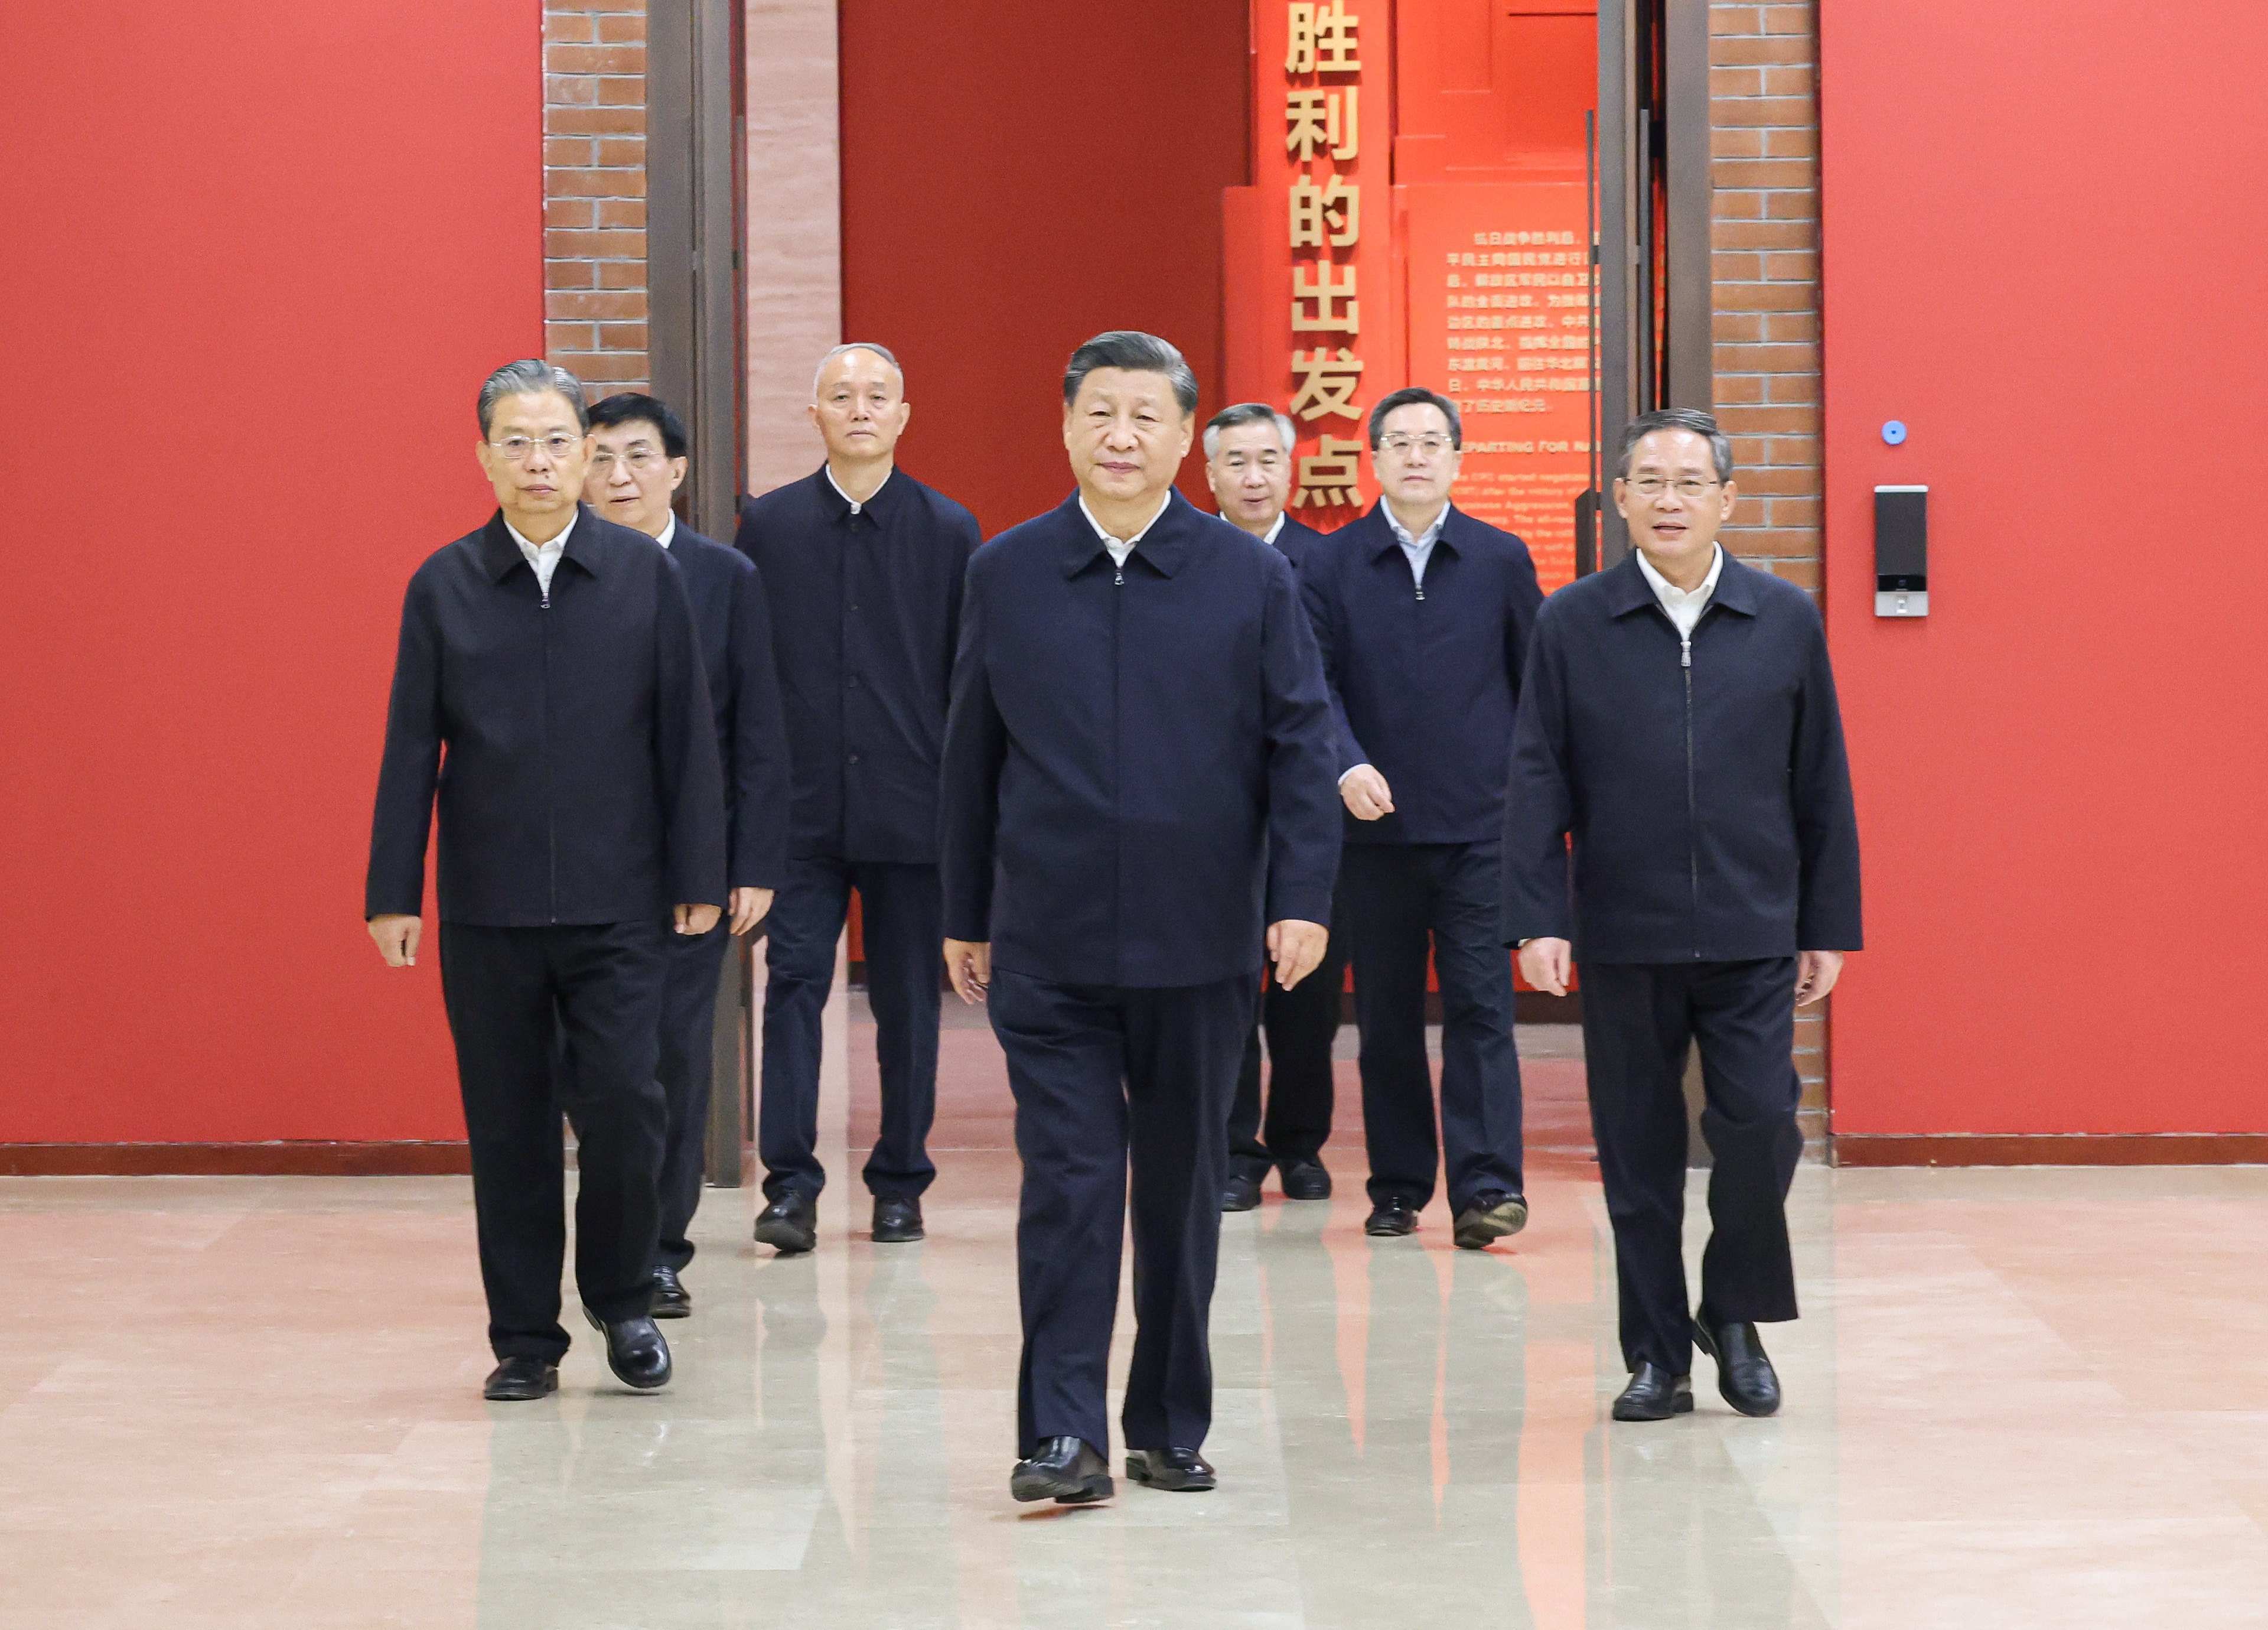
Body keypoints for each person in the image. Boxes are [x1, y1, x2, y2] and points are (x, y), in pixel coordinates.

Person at [940, 332, 1341, 1504]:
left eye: (1145, 417)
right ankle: (1062, 1434)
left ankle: (1167, 1421)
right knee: (1067, 1184)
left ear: (1184, 439)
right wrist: (968, 910)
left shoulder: (1246, 576)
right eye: (1099, 414)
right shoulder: (1007, 572)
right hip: (1050, 944)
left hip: (1200, 939)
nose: (1121, 436)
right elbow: (972, 755)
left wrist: (1301, 899)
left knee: (1176, 1192)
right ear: (1065, 428)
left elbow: (1300, 744)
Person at [366, 359, 728, 1401]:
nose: (539, 461)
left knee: (625, 1102)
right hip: (491, 907)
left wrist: (699, 868)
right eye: (516, 442)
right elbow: (409, 747)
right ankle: (526, 1337)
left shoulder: (644, 577)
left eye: (558, 440)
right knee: (510, 1123)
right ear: (483, 454)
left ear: (587, 452)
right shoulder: (442, 585)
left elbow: (686, 737)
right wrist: (396, 890)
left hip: (622, 903)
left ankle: (622, 1300)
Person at [1504, 406, 1861, 1422]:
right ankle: (1657, 1354)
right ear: (1618, 498)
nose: (1669, 500)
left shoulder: (1783, 618)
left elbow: (1821, 781)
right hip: (1624, 929)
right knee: (1638, 1151)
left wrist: (1826, 923)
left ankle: (1733, 1309)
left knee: (1760, 1128)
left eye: (1690, 483)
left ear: (1727, 501)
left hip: (1754, 928)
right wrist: (1537, 917)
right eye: (1649, 482)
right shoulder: (1571, 622)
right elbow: (1536, 779)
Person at [735, 344, 982, 1252]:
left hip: (911, 813)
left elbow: (971, 684)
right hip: (799, 815)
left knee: (910, 1002)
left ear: (905, 414)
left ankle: (900, 1182)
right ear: (817, 417)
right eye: (842, 396)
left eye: (879, 395)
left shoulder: (952, 531)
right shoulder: (770, 530)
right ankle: (790, 1186)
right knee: (794, 989)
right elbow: (748, 677)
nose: (861, 409)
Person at [1301, 387, 1542, 1248]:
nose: (1415, 455)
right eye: (1398, 441)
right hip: (1375, 834)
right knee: (1390, 1018)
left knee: (1483, 1010)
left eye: (1431, 441)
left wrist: (1529, 805)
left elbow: (1534, 690)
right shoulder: (1328, 565)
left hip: (1481, 828)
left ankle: (1488, 1189)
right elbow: (1311, 686)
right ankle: (1399, 1183)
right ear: (1373, 458)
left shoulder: (1500, 559)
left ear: (1458, 458)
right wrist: (1347, 762)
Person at [584, 392, 790, 1316]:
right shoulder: (566, 574)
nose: (617, 477)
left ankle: (659, 1249)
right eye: (600, 458)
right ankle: (612, 1236)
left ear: (676, 470)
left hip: (687, 870)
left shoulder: (726, 577)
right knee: (595, 1071)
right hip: (583, 865)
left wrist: (748, 862)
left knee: (669, 1063)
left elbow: (758, 733)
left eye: (636, 457)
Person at [1202, 402, 1346, 1212]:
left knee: (1307, 998)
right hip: (1220, 815)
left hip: (1308, 810)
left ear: (1290, 471)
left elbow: (1341, 692)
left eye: (1268, 461)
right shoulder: (1194, 559)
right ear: (1211, 474)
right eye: (1237, 462)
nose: (1254, 477)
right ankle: (1233, 1149)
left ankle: (1300, 1143)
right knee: (1228, 990)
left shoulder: (1326, 564)